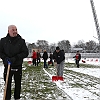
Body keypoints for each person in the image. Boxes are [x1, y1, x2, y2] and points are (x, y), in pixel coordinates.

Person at [0, 25, 29, 100]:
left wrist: (15, 58)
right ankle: (7, 98)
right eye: (13, 30)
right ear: (8, 31)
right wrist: (5, 58)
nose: (15, 31)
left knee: (17, 84)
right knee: (7, 84)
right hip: (8, 65)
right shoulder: (3, 41)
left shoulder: (21, 41)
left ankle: (17, 98)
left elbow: (25, 52)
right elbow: (0, 52)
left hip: (17, 65)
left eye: (16, 29)